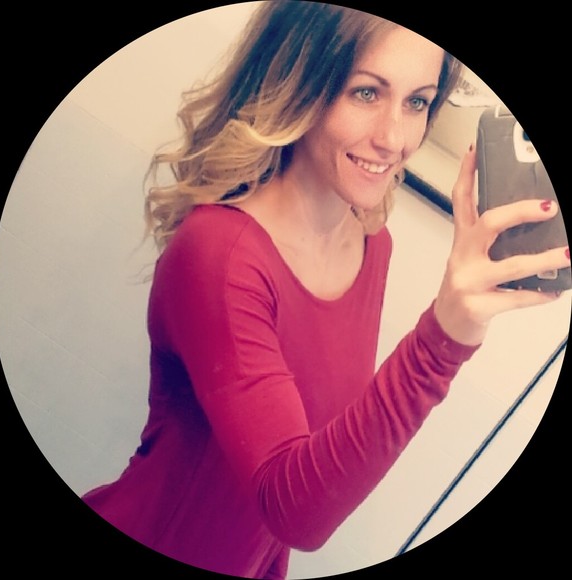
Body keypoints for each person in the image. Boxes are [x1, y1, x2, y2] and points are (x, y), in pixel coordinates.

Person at [82, 1, 570, 578]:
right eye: (365, 92)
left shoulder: (371, 244)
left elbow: (310, 460)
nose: (394, 138)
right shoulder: (218, 253)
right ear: (301, 83)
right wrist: (445, 338)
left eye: (417, 102)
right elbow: (296, 512)